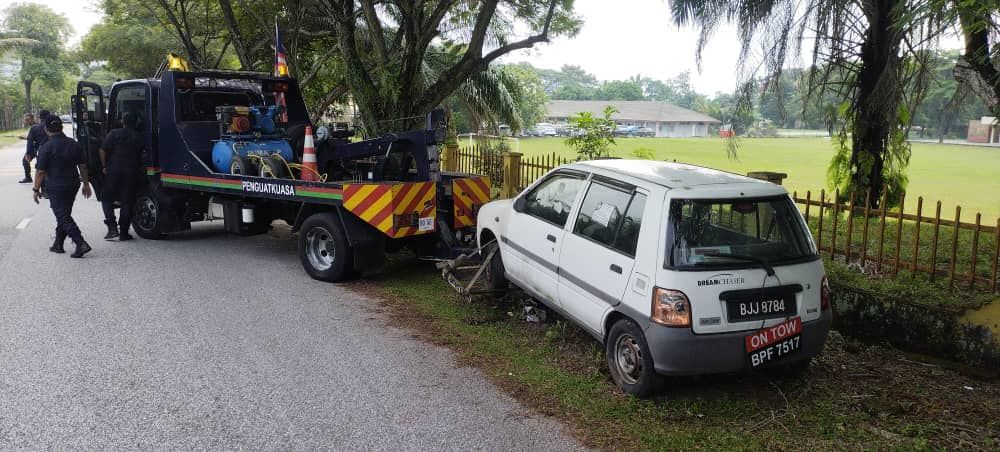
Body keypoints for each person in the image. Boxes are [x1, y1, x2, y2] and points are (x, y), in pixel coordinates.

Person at [32, 114, 92, 258]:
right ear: (61, 127)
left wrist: (35, 189)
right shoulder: (74, 144)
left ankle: (81, 243)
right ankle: (58, 244)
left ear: (46, 129)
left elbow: (40, 172)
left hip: (56, 186)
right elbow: (83, 166)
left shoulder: (46, 147)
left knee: (63, 216)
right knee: (64, 214)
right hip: (73, 184)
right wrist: (86, 183)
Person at [99, 112, 144, 241]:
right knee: (127, 201)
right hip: (131, 171)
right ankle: (124, 232)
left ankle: (112, 228)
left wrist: (104, 166)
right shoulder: (139, 137)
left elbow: (102, 149)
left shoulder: (114, 133)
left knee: (106, 198)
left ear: (122, 122)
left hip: (113, 170)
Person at [20, 110, 50, 184]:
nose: (26, 121)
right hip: (37, 148)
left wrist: (28, 153)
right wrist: (25, 138)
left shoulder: (36, 126)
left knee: (40, 166)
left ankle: (41, 183)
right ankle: (28, 177)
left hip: (38, 148)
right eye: (25, 120)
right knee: (25, 161)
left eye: (27, 120)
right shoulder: (35, 126)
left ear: (32, 119)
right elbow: (34, 138)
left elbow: (31, 140)